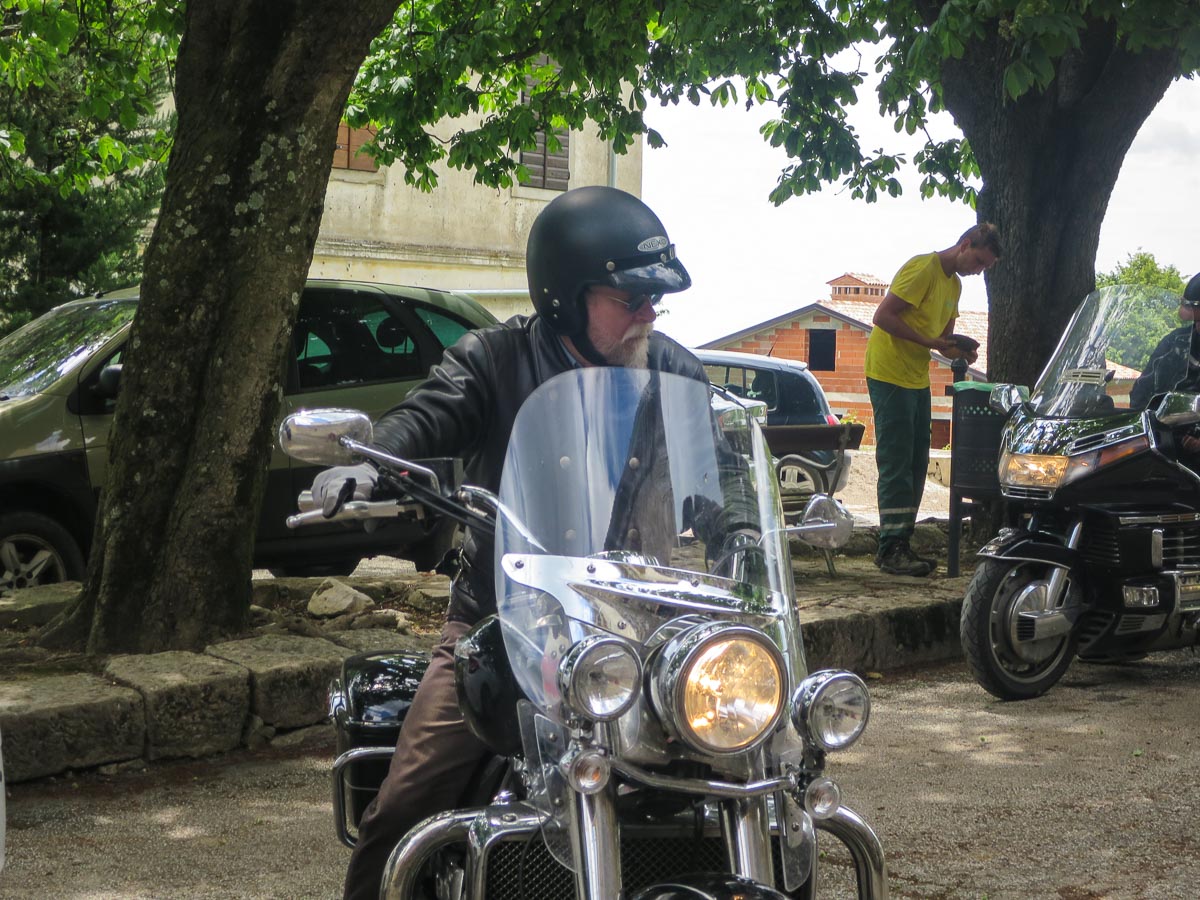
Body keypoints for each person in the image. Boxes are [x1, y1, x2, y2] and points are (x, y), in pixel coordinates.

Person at [312, 185, 714, 900]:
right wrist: (371, 464)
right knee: (406, 805)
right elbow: (424, 418)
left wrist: (744, 531)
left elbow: (719, 486)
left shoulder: (675, 373)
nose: (648, 314)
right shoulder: (493, 359)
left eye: (655, 299)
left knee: (749, 772)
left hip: (640, 633)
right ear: (564, 298)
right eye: (629, 299)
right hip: (504, 626)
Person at [864, 223, 1001, 576]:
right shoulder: (923, 268)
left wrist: (960, 350)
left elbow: (942, 339)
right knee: (896, 460)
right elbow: (882, 316)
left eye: (985, 267)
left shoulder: (954, 285)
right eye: (979, 262)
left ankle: (901, 542)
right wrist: (930, 343)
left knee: (916, 461)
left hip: (916, 376)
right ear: (965, 244)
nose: (978, 271)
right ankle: (890, 548)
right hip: (888, 372)